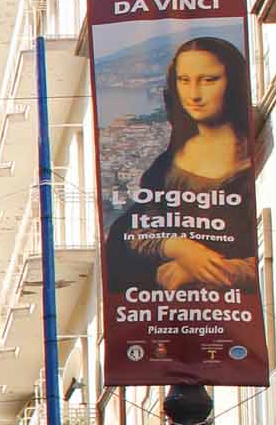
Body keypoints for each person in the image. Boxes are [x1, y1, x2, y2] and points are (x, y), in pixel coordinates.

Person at [103, 36, 266, 317]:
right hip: (176, 324)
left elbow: (266, 254)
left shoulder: (254, 158)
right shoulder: (166, 165)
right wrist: (176, 246)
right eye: (184, 80)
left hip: (235, 325)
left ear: (233, 84)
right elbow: (130, 231)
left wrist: (201, 270)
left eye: (209, 80)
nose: (194, 94)